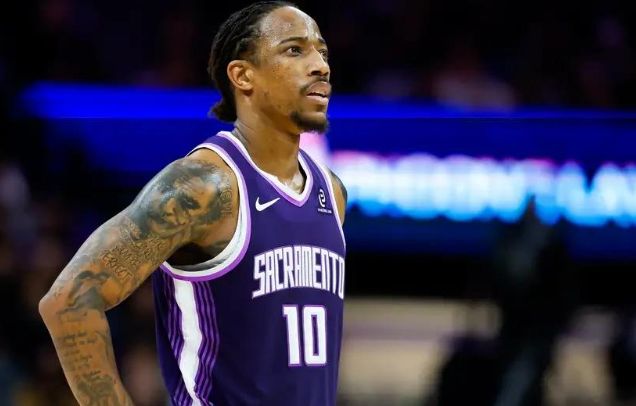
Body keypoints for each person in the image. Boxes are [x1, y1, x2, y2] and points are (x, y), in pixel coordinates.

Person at [38, 2, 348, 405]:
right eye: (295, 50)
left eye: (322, 52)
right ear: (243, 76)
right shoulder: (204, 186)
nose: (320, 66)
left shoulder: (331, 193)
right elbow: (69, 302)